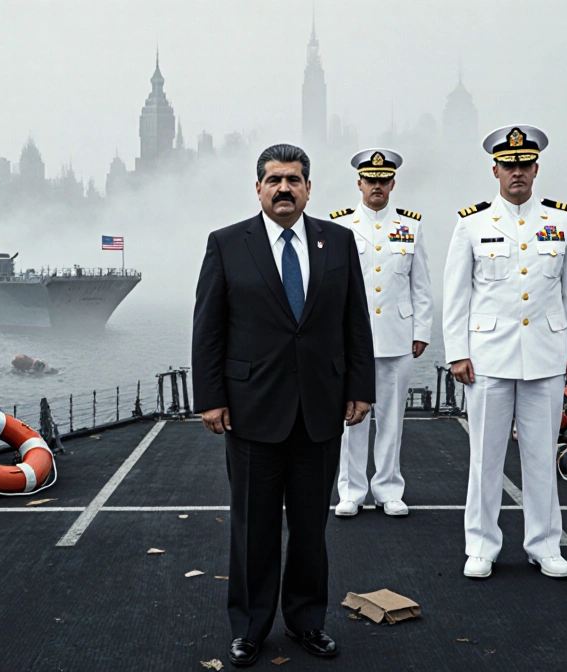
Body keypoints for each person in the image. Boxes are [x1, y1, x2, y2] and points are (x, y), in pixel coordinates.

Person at [192, 143, 375, 666]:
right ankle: (249, 627)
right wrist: (210, 399)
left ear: (309, 188)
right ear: (258, 188)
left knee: (311, 528)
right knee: (253, 526)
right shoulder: (227, 244)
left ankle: (307, 622)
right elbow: (208, 330)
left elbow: (354, 321)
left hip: (320, 409)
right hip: (251, 410)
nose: (284, 189)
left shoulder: (337, 242)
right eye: (274, 180)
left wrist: (361, 387)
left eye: (294, 179)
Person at [442, 125, 567, 580]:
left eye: (524, 165)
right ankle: (482, 545)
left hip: (546, 356)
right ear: (495, 170)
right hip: (487, 356)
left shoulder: (562, 222)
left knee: (540, 455)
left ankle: (544, 545)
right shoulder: (472, 223)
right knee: (484, 458)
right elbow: (456, 295)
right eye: (509, 166)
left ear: (536, 168)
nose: (517, 173)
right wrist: (457, 353)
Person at [330, 148, 433, 518]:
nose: (377, 186)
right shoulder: (339, 226)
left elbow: (420, 285)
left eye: (383, 180)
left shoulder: (411, 226)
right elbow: (332, 287)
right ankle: (351, 491)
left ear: (392, 183)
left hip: (396, 336)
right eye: (370, 180)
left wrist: (421, 330)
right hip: (350, 339)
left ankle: (389, 488)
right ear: (359, 183)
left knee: (392, 418)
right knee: (351, 418)